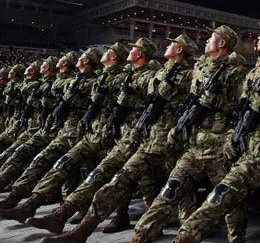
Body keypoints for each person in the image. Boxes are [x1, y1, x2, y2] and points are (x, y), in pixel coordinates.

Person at [43, 34, 196, 243]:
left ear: (179, 50)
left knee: (177, 191)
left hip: (170, 144)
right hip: (146, 140)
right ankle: (80, 230)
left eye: (172, 44)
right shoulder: (159, 74)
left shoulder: (188, 76)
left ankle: (188, 233)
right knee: (117, 181)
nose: (167, 45)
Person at [172, 19, 260, 243]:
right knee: (219, 196)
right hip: (250, 154)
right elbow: (240, 110)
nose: (259, 37)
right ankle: (184, 238)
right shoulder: (254, 73)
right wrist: (234, 135)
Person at [25, 39, 159, 236]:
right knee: (89, 172)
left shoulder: (145, 77)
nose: (131, 51)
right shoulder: (122, 76)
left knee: (122, 179)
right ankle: (53, 212)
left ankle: (140, 220)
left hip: (134, 136)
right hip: (106, 132)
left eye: (134, 49)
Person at [131, 25, 248, 242]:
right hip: (194, 144)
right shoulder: (200, 70)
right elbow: (189, 103)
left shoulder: (236, 72)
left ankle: (237, 239)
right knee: (171, 187)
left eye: (210, 38)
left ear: (222, 43)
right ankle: (142, 233)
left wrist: (215, 103)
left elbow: (241, 108)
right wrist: (179, 128)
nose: (205, 41)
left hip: (218, 145)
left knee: (228, 199)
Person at [4, 43, 129, 224]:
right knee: (64, 165)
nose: (79, 58)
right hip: (87, 133)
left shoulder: (114, 79)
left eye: (83, 56)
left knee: (113, 175)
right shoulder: (96, 79)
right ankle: (27, 205)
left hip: (109, 136)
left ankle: (120, 214)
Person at [0, 48, 100, 216]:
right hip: (57, 129)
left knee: (81, 170)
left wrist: (62, 97)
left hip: (78, 132)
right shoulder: (67, 82)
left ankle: (76, 207)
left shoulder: (92, 83)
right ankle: (17, 198)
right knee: (41, 160)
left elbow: (87, 107)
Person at [0, 53, 77, 198]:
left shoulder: (56, 83)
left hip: (49, 128)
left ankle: (61, 197)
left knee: (57, 163)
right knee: (26, 156)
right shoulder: (46, 84)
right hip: (37, 125)